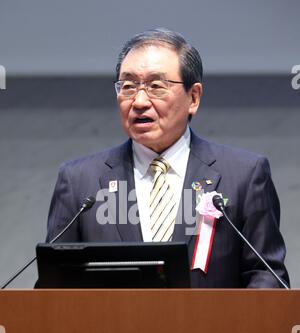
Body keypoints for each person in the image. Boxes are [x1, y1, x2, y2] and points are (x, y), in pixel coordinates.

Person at [46, 28, 289, 288]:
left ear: (193, 97)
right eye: (128, 86)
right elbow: (54, 285)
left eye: (156, 86)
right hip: (111, 329)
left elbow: (267, 278)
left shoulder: (244, 175)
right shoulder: (79, 182)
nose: (139, 101)